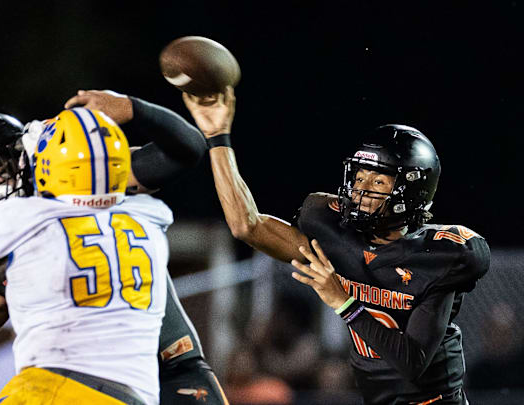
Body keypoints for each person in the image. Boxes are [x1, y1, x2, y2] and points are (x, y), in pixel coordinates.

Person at [0, 91, 228, 405]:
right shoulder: (33, 223)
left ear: (28, 153)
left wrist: (131, 108)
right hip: (99, 386)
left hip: (168, 372)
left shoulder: (84, 182)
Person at [182, 86, 490, 405]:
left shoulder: (436, 256)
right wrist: (218, 137)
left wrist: (342, 301)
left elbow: (412, 363)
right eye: (358, 178)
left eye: (378, 181)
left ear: (411, 191)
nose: (361, 190)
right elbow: (247, 225)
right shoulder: (334, 234)